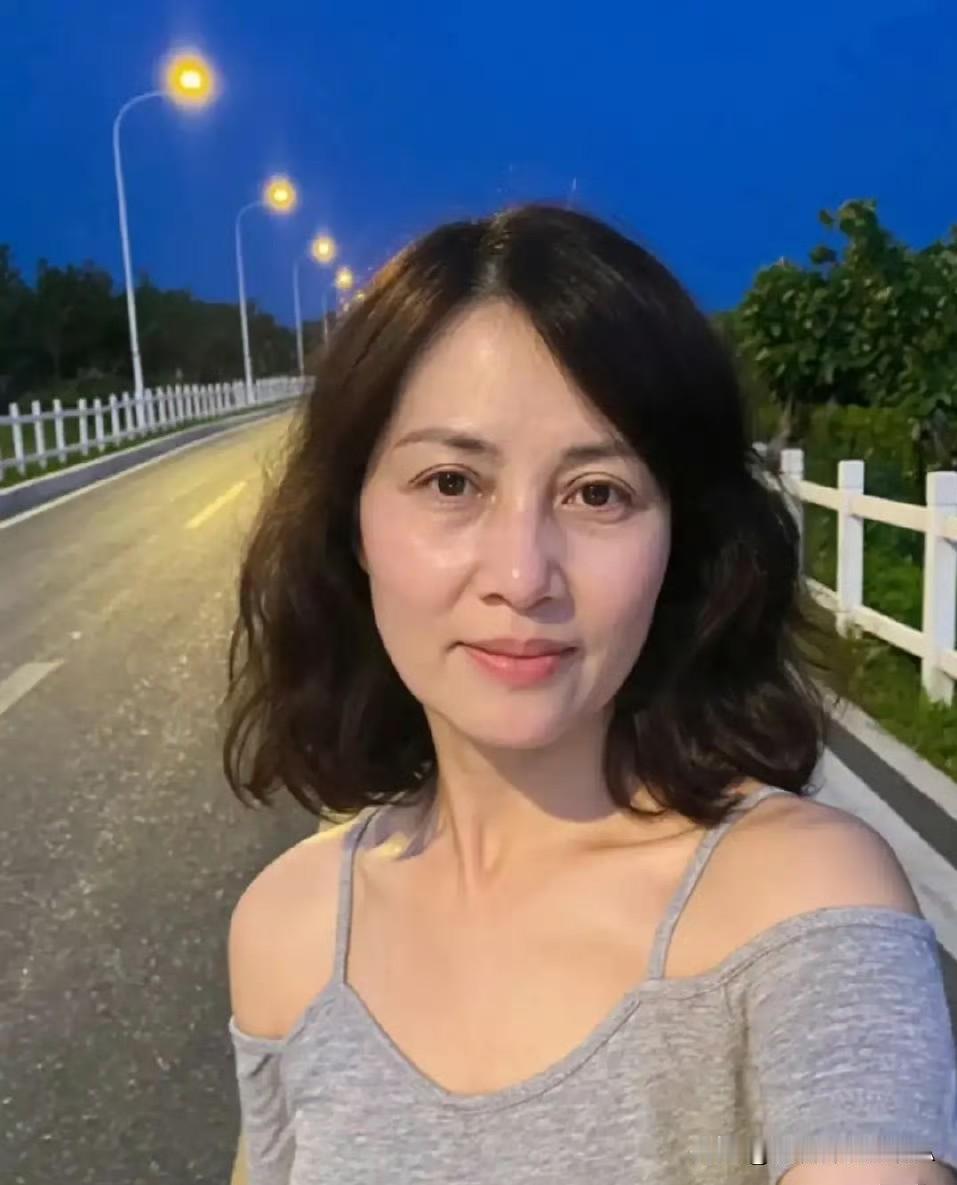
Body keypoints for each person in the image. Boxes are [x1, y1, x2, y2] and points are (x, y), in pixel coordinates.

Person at [220, 203, 957, 1184]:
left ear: (679, 540)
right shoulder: (289, 933)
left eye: (597, 493)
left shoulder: (801, 905)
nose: (522, 575)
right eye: (451, 483)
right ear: (353, 523)